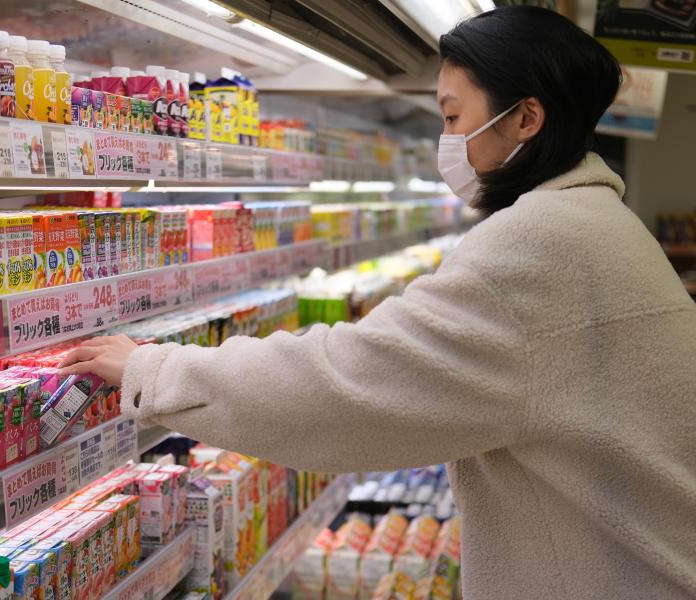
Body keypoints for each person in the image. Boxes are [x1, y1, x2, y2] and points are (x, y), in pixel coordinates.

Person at [59, 6, 696, 600]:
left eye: (453, 117)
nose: (446, 139)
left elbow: (346, 386)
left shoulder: (541, 242)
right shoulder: (598, 221)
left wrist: (156, 369)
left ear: (526, 120)